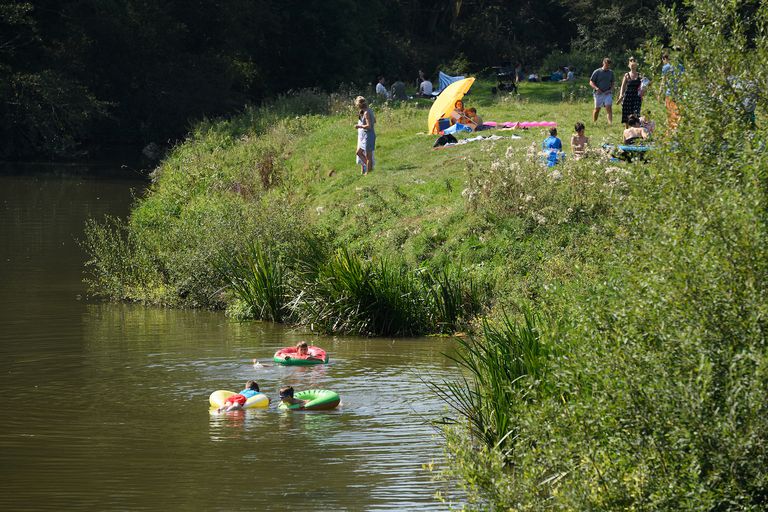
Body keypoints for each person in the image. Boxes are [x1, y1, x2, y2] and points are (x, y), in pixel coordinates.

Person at [618, 58, 644, 128]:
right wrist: (621, 95)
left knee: (636, 113)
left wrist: (642, 95)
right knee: (627, 113)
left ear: (636, 66)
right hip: (628, 96)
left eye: (634, 65)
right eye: (631, 66)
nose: (633, 67)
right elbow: (622, 86)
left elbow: (643, 86)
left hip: (637, 97)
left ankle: (635, 129)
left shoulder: (640, 75)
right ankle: (627, 130)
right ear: (629, 66)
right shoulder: (626, 75)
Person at [660, 53, 683, 131]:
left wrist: (660, 93)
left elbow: (663, 81)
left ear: (665, 59)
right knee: (677, 112)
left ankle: (672, 131)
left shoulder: (665, 67)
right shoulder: (680, 66)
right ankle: (677, 129)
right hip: (679, 93)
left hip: (669, 93)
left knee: (670, 113)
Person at [354, 96, 376, 175]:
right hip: (367, 135)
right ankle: (368, 167)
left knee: (368, 156)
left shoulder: (366, 113)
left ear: (359, 106)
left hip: (369, 135)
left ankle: (368, 173)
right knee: (359, 152)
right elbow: (375, 121)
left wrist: (359, 126)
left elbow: (369, 126)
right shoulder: (370, 110)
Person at [589, 57, 615, 125]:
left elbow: (613, 82)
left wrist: (610, 90)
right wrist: (597, 88)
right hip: (598, 93)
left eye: (609, 65)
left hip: (607, 93)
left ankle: (610, 124)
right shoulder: (597, 71)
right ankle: (594, 122)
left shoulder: (611, 72)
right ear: (603, 63)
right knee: (597, 109)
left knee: (608, 107)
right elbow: (591, 82)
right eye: (606, 65)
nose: (607, 66)